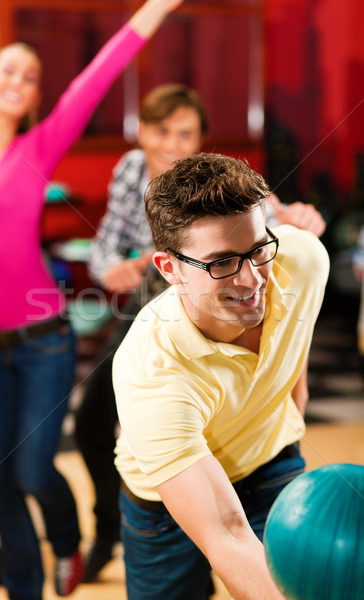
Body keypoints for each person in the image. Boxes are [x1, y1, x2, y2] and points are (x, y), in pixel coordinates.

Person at [0, 2, 183, 599]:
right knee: (1, 483)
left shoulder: (37, 148)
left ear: (35, 96)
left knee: (35, 471)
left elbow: (99, 76)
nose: (19, 81)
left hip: (42, 341)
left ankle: (66, 541)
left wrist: (156, 10)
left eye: (31, 76)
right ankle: (24, 592)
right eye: (9, 69)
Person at [76, 83, 326, 582]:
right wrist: (115, 271)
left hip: (269, 461)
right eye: (223, 261)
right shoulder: (149, 368)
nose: (253, 277)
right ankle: (104, 533)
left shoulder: (299, 260)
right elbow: (227, 533)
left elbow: (289, 351)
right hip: (158, 501)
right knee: (93, 421)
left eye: (258, 250)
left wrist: (285, 432)